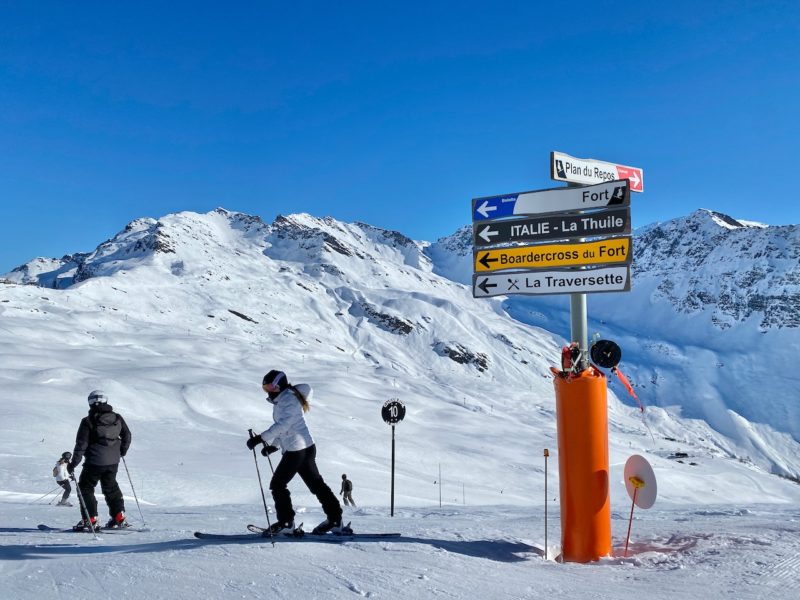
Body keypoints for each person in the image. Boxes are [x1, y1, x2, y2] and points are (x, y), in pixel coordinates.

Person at [246, 370, 344, 535]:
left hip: (297, 450)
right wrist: (275, 445)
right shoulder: (285, 399)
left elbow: (283, 425)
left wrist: (260, 438)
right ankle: (335, 519)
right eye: (265, 387)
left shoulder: (288, 400)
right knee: (317, 485)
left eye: (271, 386)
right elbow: (287, 427)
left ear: (280, 384)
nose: (268, 390)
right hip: (304, 447)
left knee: (278, 484)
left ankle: (286, 522)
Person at [68, 390, 132, 531]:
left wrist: (73, 464)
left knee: (85, 487)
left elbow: (81, 445)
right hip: (113, 462)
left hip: (94, 462)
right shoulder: (117, 418)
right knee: (111, 488)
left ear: (90, 403)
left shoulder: (87, 421)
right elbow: (127, 435)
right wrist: (122, 451)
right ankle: (119, 517)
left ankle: (90, 519)